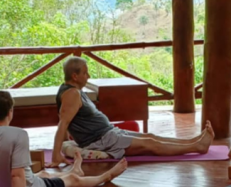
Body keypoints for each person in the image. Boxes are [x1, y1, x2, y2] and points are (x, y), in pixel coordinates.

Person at [49, 57, 214, 165]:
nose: (88, 76)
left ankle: (194, 142)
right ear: (75, 76)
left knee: (151, 136)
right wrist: (57, 156)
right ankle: (197, 147)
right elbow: (63, 123)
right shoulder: (71, 94)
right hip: (102, 140)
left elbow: (68, 122)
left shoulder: (74, 91)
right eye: (85, 73)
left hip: (108, 134)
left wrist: (69, 141)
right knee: (151, 145)